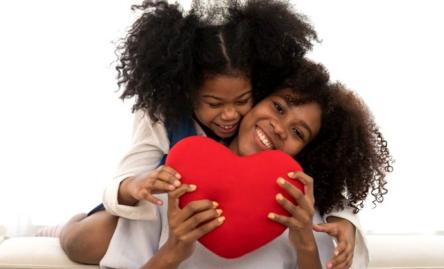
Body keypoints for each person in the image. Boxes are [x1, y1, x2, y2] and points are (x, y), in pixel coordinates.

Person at [57, 0, 365, 266]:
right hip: (142, 191)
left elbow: (332, 188)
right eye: (279, 108)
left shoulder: (295, 193)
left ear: (254, 90)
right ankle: (64, 225)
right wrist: (138, 188)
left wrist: (345, 221)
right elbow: (127, 177)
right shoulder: (163, 120)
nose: (230, 114)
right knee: (85, 240)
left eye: (241, 100)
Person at [100, 60, 393, 269]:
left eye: (298, 132)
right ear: (252, 99)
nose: (279, 128)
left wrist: (305, 246)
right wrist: (175, 250)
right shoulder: (170, 183)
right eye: (277, 107)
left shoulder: (304, 214)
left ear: (309, 152)